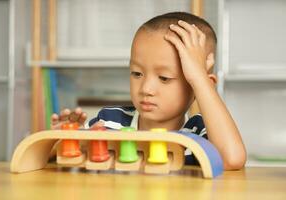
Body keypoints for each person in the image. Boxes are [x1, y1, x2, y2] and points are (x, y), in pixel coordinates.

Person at [51, 12, 246, 170]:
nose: (146, 89)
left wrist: (199, 78)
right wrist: (57, 141)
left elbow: (232, 159)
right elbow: (61, 159)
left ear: (197, 87)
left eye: (164, 78)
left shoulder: (200, 134)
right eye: (137, 73)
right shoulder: (109, 121)